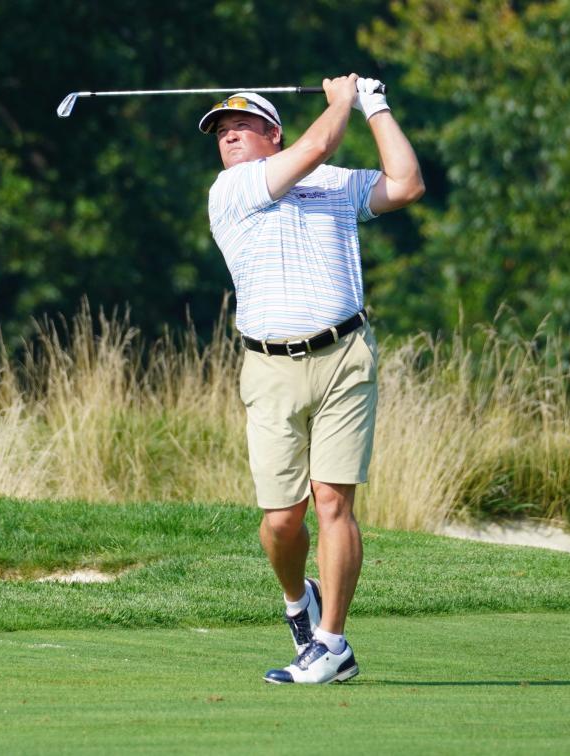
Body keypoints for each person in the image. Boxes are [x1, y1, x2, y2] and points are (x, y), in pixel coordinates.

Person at [198, 73, 424, 684]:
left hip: (345, 354)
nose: (230, 137)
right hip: (268, 367)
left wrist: (375, 106)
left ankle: (332, 645)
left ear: (274, 132)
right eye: (221, 131)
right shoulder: (232, 189)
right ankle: (300, 603)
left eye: (242, 126)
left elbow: (406, 184)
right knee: (280, 521)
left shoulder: (330, 186)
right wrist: (341, 101)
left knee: (333, 501)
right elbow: (319, 144)